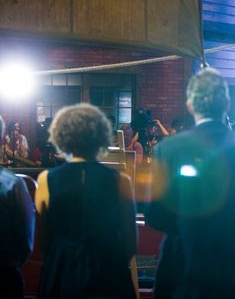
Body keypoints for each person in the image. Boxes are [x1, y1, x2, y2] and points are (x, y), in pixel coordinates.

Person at [145, 67, 235, 299]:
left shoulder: (169, 149)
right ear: (226, 103)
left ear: (190, 105)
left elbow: (155, 216)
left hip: (183, 268)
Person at [35, 103, 137, 299]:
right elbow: (130, 242)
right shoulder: (121, 181)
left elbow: (43, 240)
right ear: (101, 137)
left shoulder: (46, 179)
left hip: (62, 271)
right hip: (109, 273)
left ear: (62, 136)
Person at [0, 115, 35, 299]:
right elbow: (26, 239)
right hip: (5, 272)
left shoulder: (22, 140)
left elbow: (26, 157)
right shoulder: (13, 184)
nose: (17, 130)